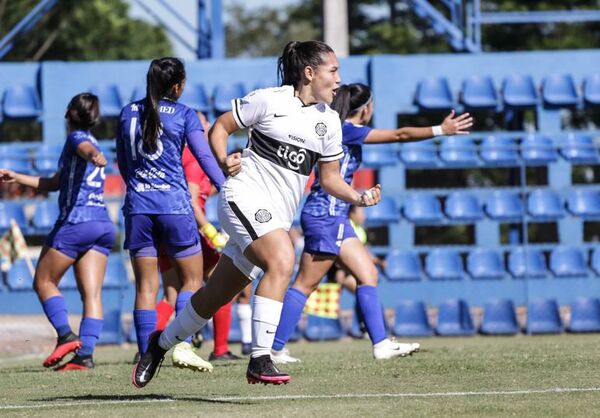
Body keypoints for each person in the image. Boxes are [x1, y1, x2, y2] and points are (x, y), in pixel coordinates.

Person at [132, 40, 382, 388]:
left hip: (274, 218)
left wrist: (359, 196)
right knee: (282, 258)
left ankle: (158, 346)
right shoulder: (269, 99)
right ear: (310, 73)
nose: (339, 80)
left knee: (212, 297)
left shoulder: (330, 123)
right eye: (333, 71)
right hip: (241, 197)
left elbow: (330, 179)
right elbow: (219, 128)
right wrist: (223, 160)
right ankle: (261, 357)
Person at [271, 82, 473, 363]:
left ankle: (380, 344)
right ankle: (274, 348)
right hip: (325, 214)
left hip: (334, 214)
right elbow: (400, 134)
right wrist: (441, 130)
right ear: (365, 109)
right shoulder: (347, 129)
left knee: (368, 275)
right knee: (305, 284)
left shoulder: (334, 126)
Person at [116, 57, 226, 374]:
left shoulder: (127, 113)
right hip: (175, 207)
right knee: (192, 279)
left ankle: (144, 358)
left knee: (146, 288)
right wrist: (225, 187)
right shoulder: (184, 114)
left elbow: (123, 163)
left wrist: (140, 187)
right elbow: (204, 156)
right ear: (177, 85)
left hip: (137, 207)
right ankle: (182, 345)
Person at [0, 93, 116, 371]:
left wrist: (94, 155)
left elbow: (84, 147)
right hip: (102, 223)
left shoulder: (77, 139)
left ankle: (65, 334)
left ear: (68, 113)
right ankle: (85, 355)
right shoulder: (92, 141)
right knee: (92, 294)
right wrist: (16, 176)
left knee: (43, 282)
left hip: (77, 221)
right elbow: (54, 183)